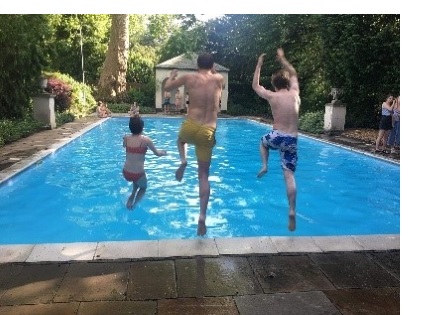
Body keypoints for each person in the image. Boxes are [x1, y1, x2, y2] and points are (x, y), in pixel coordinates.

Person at [163, 52, 224, 236]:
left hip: (191, 125)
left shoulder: (190, 77)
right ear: (212, 65)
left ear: (197, 65)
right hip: (208, 130)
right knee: (203, 175)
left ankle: (183, 160)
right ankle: (202, 217)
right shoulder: (219, 79)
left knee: (181, 140)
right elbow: (214, 76)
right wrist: (212, 69)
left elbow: (168, 86)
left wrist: (173, 76)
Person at [252, 48, 300, 232]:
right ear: (288, 83)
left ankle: (265, 165)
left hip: (277, 136)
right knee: (289, 176)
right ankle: (292, 210)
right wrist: (283, 58)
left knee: (263, 142)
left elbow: (256, 86)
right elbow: (294, 73)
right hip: (292, 139)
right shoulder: (295, 93)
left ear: (274, 84)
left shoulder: (272, 96)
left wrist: (259, 64)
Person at [122, 116, 167, 210]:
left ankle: (132, 194)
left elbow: (124, 145)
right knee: (143, 187)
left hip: (126, 172)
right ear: (142, 127)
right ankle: (133, 205)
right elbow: (157, 154)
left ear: (130, 127)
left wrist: (125, 138)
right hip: (138, 173)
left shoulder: (126, 138)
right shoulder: (146, 140)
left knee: (136, 182)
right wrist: (163, 153)